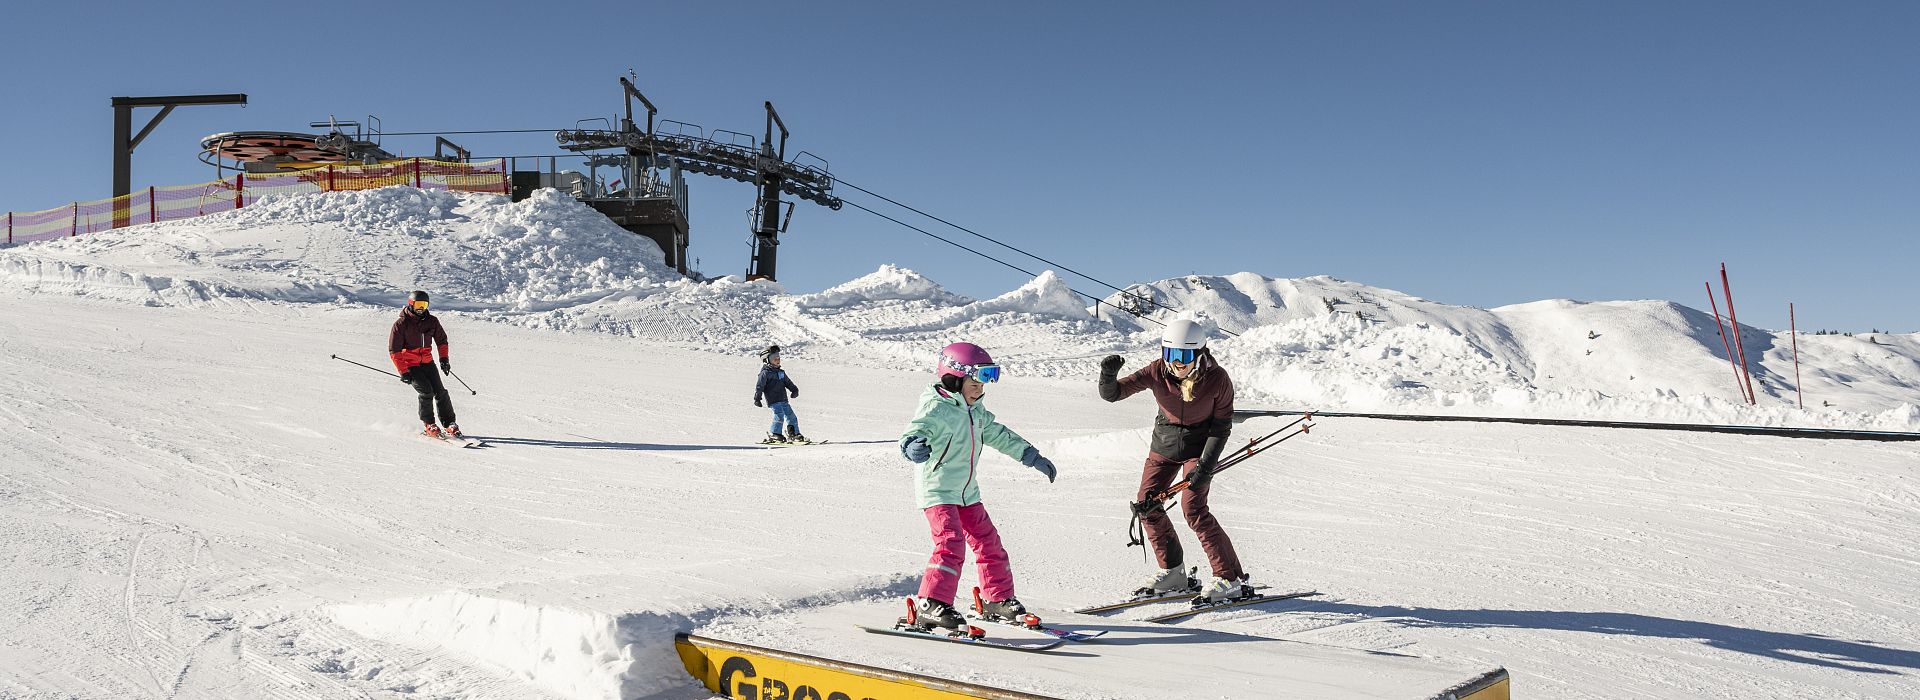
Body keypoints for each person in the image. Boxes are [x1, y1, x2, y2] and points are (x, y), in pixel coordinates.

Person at [898, 342, 1058, 630]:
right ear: (954, 378)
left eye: (987, 381)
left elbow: (999, 435)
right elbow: (914, 431)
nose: (982, 388)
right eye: (977, 380)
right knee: (950, 543)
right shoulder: (936, 407)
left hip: (967, 492)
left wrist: (1031, 455)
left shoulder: (976, 411)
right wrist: (912, 446)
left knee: (988, 542)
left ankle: (997, 598)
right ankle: (931, 602)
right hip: (938, 490)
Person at [1098, 319, 1248, 603]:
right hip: (1165, 444)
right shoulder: (1157, 370)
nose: (1176, 363)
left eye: (1184, 356)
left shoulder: (1218, 379)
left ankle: (1228, 577)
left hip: (1200, 447)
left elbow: (1221, 427)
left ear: (1199, 353)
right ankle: (1173, 571)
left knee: (1194, 509)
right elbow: (1113, 394)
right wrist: (1107, 375)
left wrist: (1205, 465)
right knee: (1147, 504)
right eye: (1171, 355)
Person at [389, 290, 460, 439]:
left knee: (440, 392)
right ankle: (429, 424)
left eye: (424, 304)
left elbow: (441, 340)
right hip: (411, 365)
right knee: (426, 392)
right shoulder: (401, 324)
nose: (421, 308)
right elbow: (394, 350)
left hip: (428, 362)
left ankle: (449, 424)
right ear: (411, 304)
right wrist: (403, 372)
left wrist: (444, 359)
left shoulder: (432, 321)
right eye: (419, 304)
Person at [752, 345, 806, 444]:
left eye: (778, 357)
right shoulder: (765, 373)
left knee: (791, 416)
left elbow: (788, 382)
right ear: (766, 360)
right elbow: (760, 386)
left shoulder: (781, 372)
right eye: (774, 358)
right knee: (779, 415)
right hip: (773, 400)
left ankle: (793, 434)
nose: (777, 360)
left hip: (783, 399)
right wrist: (757, 398)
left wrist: (794, 389)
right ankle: (775, 433)